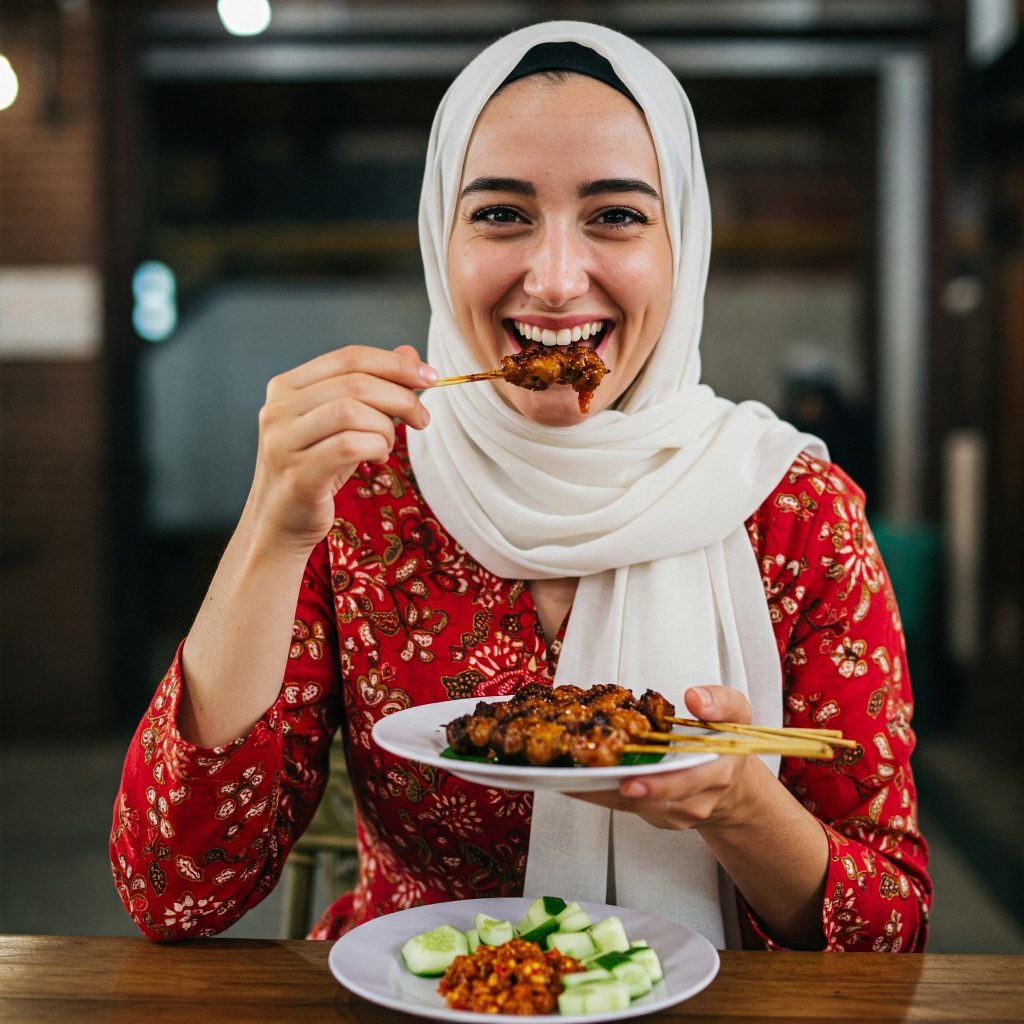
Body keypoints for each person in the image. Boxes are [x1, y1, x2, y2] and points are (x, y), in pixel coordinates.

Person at [110, 21, 930, 952]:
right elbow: (172, 891)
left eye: (616, 216)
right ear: (440, 237)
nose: (552, 278)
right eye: (501, 214)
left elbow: (891, 935)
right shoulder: (365, 493)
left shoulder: (793, 510)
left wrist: (738, 806)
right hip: (407, 996)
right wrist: (270, 522)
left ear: (683, 246)